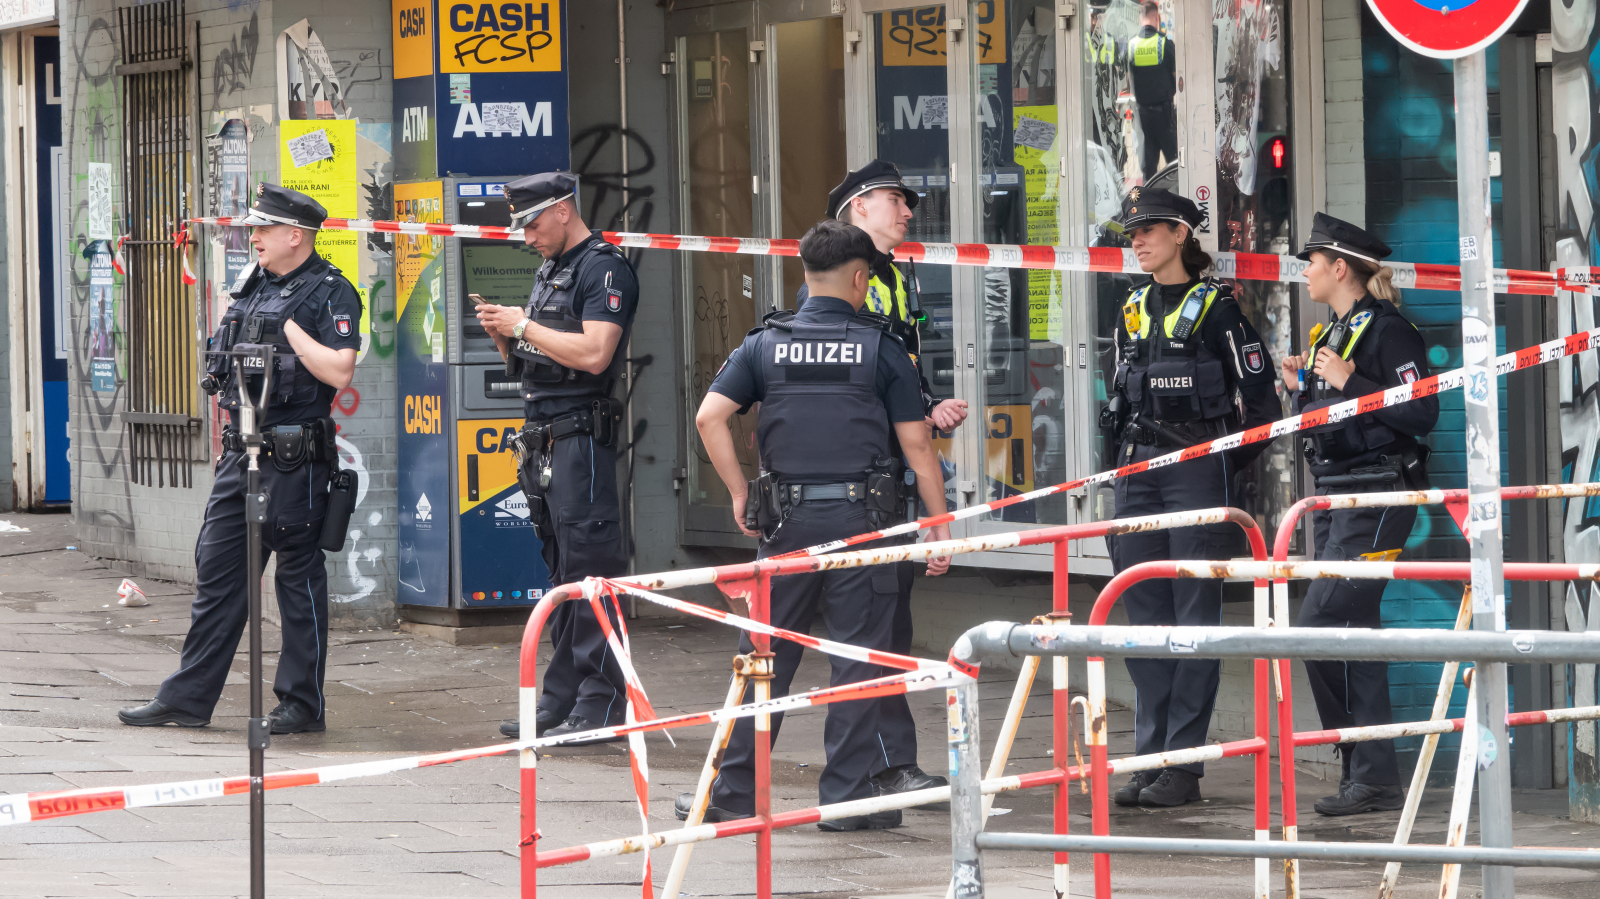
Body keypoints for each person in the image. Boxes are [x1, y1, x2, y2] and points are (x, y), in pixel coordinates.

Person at [681, 220, 954, 831]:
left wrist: (739, 492)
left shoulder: (764, 344)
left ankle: (730, 793)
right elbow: (918, 450)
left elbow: (709, 418)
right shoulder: (882, 348)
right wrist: (940, 527)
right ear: (860, 278)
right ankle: (847, 801)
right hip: (866, 524)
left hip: (785, 523)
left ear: (806, 275)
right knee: (857, 659)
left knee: (763, 655)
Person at [119, 184, 361, 734]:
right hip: (241, 454)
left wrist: (294, 332)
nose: (252, 237)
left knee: (297, 582)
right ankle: (187, 698)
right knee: (218, 573)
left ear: (294, 235)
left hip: (295, 460)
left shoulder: (330, 292)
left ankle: (301, 705)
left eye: (262, 229)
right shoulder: (250, 289)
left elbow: (340, 372)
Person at [1101, 187, 1279, 807]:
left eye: (1148, 230)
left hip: (1195, 474)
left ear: (1180, 233)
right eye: (1132, 234)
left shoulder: (1219, 311)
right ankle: (1150, 757)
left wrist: (1216, 464)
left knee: (1193, 624)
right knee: (1143, 620)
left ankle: (1185, 765)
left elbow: (1263, 409)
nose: (1138, 242)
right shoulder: (1128, 311)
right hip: (1136, 476)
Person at [801, 160, 970, 800]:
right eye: (895, 201)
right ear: (858, 208)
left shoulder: (896, 280)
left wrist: (928, 411)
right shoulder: (841, 286)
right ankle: (865, 769)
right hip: (856, 479)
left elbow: (895, 373)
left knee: (889, 622)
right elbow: (841, 382)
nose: (907, 212)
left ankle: (890, 761)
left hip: (891, 468)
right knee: (865, 624)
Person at [1280, 213, 1437, 816]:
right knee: (1354, 635)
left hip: (1376, 496)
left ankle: (1364, 767)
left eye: (1312, 262)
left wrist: (1350, 382)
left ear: (1339, 267)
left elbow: (1422, 413)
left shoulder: (1390, 331)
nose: (1306, 272)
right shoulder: (1330, 333)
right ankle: (1369, 775)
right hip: (1334, 496)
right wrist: (1301, 387)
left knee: (1318, 627)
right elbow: (1333, 415)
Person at [479, 172, 637, 744]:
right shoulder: (554, 269)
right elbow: (542, 356)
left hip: (580, 440)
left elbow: (595, 353)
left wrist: (524, 324)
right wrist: (509, 338)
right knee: (561, 573)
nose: (526, 236)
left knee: (590, 573)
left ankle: (601, 701)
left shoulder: (604, 267)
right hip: (545, 437)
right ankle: (562, 697)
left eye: (532, 222)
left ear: (563, 210)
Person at [1127, 1, 1177, 180]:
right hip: (1164, 115)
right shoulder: (1164, 44)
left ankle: (1149, 204)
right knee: (1175, 164)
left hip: (1143, 117)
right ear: (1157, 17)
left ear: (1140, 18)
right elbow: (1177, 77)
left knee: (1149, 167)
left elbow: (1127, 79)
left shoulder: (1131, 46)